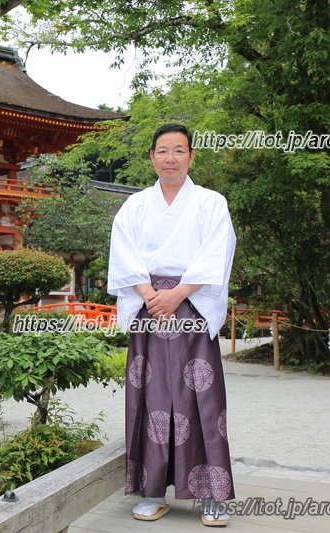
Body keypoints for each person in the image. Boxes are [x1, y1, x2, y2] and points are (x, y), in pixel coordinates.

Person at [107, 124, 237, 527]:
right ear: (151, 157)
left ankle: (212, 494)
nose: (170, 158)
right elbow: (124, 252)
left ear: (191, 156)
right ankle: (151, 489)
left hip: (192, 306)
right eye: (162, 151)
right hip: (150, 308)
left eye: (178, 150)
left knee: (201, 399)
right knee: (150, 397)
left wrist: (178, 294)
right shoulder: (135, 206)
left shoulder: (211, 203)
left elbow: (217, 252)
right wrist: (150, 296)